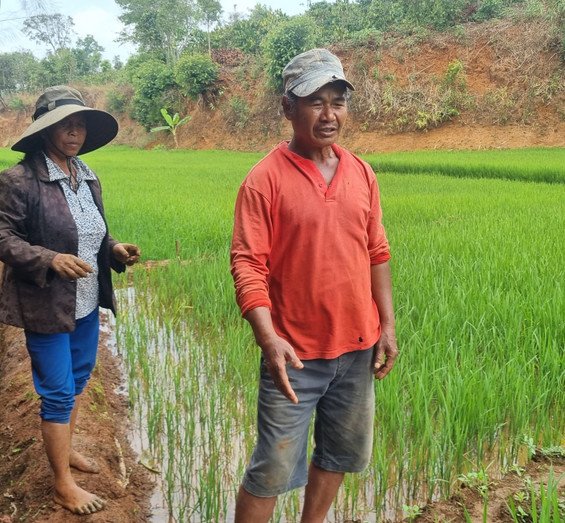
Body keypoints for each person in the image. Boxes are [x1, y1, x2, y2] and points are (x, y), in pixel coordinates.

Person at [230, 48, 398, 522]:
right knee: (271, 468)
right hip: (295, 356)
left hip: (357, 348)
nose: (329, 115)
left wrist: (387, 325)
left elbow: (377, 252)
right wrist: (269, 339)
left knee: (338, 455)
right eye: (315, 102)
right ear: (288, 108)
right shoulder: (264, 180)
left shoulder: (362, 172)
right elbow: (247, 265)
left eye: (337, 102)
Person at [0, 85, 140, 516]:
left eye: (80, 125)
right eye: (65, 124)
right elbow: (0, 238)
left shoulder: (86, 174)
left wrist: (113, 249)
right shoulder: (19, 180)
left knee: (79, 377)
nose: (74, 132)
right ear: (44, 130)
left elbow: (93, 231)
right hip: (46, 305)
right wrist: (49, 259)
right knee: (57, 393)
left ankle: (66, 448)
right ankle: (62, 485)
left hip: (87, 300)